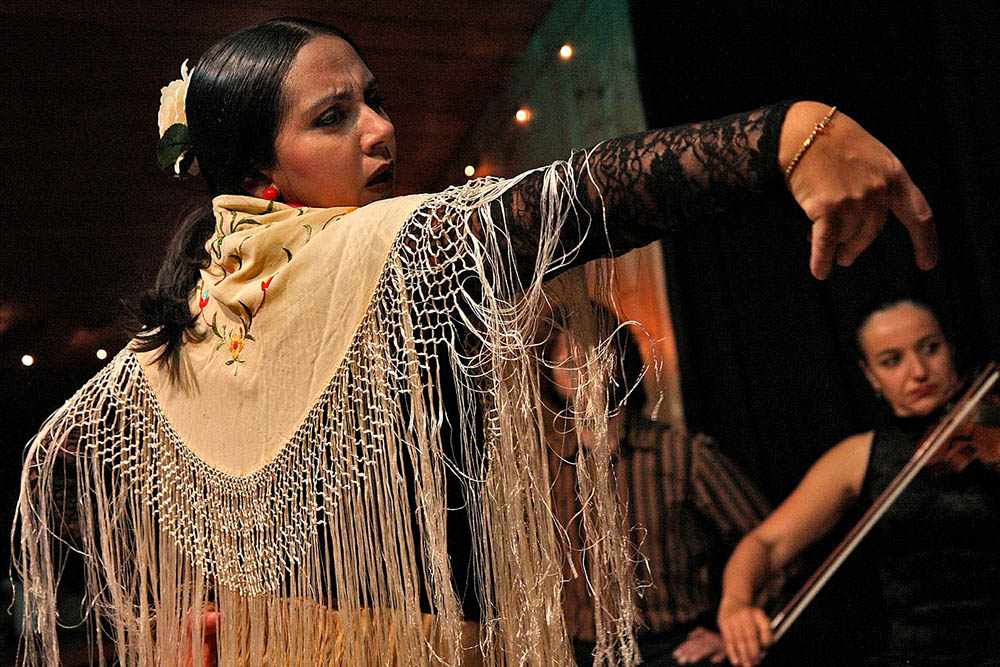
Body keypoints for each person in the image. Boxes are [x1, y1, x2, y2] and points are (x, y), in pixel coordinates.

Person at [14, 15, 937, 666]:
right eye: (334, 117)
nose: (382, 131)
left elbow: (53, 459)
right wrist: (782, 138)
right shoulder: (379, 249)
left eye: (373, 100)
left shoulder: (177, 339)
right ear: (259, 164)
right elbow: (572, 200)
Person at [717, 296, 1000, 666]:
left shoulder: (991, 427)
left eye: (930, 348)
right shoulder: (859, 455)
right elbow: (765, 544)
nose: (918, 371)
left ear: (951, 348)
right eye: (891, 360)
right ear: (871, 376)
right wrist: (735, 603)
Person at [543, 322, 777, 666]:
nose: (580, 372)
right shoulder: (546, 468)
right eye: (567, 363)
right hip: (578, 653)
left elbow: (772, 543)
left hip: (672, 648)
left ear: (616, 361)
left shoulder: (680, 453)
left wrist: (734, 630)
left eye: (590, 357)